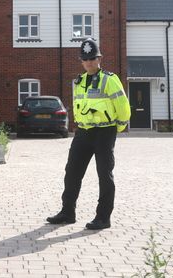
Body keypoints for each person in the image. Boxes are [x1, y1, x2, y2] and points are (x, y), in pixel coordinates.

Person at [46, 38, 131, 230]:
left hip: (104, 132)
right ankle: (68, 212)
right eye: (86, 59)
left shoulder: (110, 80)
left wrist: (115, 128)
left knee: (104, 175)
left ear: (99, 58)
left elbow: (123, 107)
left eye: (93, 58)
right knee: (72, 172)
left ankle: (103, 217)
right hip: (83, 132)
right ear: (81, 61)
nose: (89, 62)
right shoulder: (78, 81)